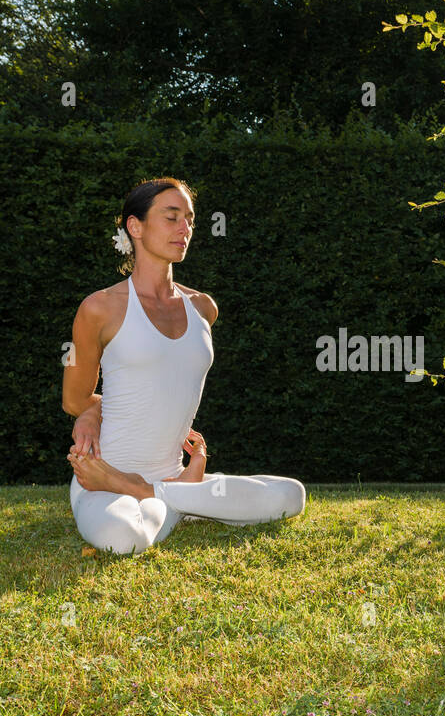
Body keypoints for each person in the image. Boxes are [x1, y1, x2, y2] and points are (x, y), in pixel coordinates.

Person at [61, 177, 306, 552]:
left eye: (189, 219)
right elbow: (74, 399)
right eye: (171, 217)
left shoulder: (203, 308)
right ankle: (182, 501)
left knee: (291, 496)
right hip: (99, 479)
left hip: (174, 474)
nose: (185, 228)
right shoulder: (100, 308)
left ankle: (160, 494)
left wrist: (156, 485)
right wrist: (92, 413)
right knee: (123, 537)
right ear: (135, 226)